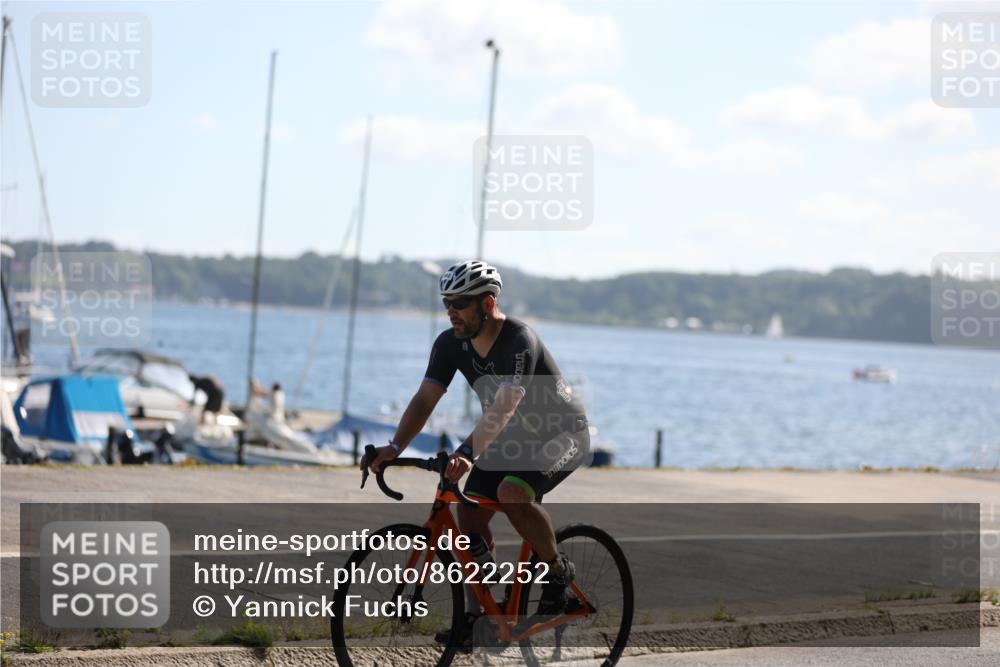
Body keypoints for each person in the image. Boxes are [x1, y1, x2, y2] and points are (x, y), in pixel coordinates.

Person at [364, 259, 590, 646]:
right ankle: (477, 618)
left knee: (512, 493)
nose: (451, 311)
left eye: (460, 303)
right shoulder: (449, 344)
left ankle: (557, 572)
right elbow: (425, 398)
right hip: (512, 439)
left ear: (487, 304)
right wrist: (394, 446)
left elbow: (505, 405)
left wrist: (467, 452)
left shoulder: (519, 340)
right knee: (468, 512)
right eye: (446, 303)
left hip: (562, 434)